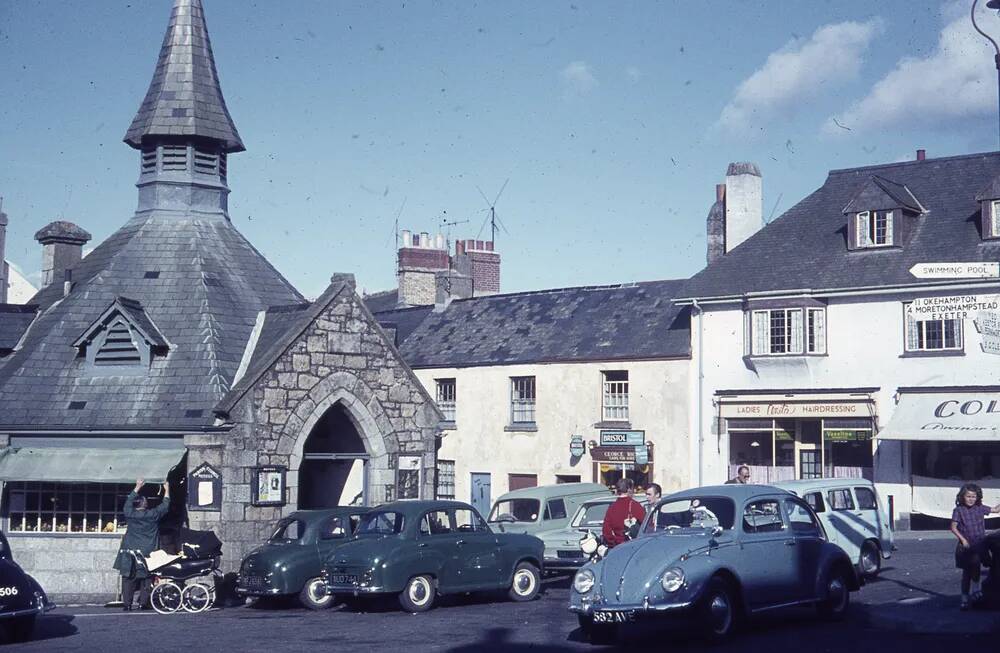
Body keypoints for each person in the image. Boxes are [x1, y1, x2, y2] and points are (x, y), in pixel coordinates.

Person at [113, 478, 171, 611]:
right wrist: (167, 489)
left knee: (128, 577)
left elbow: (127, 503)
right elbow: (165, 505)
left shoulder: (130, 514)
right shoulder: (152, 515)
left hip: (130, 550)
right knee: (147, 577)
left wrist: (137, 486)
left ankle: (127, 604)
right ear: (145, 505)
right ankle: (142, 603)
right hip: (148, 550)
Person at [951, 482, 1000, 610]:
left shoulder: (980, 508)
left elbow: (995, 509)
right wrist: (962, 539)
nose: (971, 499)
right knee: (967, 572)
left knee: (982, 567)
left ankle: (977, 591)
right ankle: (965, 598)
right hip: (967, 546)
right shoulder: (959, 510)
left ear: (977, 497)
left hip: (980, 544)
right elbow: (953, 527)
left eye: (974, 497)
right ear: (962, 497)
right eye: (968, 496)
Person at [602, 478, 646, 548]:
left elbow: (606, 531)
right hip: (633, 546)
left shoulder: (611, 508)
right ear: (629, 490)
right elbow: (646, 525)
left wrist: (613, 543)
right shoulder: (636, 506)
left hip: (617, 547)